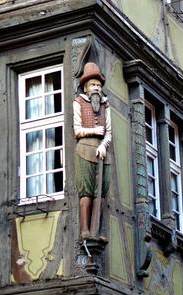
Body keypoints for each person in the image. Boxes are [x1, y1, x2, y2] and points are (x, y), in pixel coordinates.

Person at [73, 62, 111, 240]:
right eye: (92, 85)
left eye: (98, 85)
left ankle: (99, 229)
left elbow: (109, 132)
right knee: (86, 191)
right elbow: (77, 130)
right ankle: (85, 229)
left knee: (101, 193)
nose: (96, 88)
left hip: (102, 152)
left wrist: (103, 144)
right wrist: (94, 132)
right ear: (86, 88)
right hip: (84, 150)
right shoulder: (79, 102)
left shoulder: (106, 105)